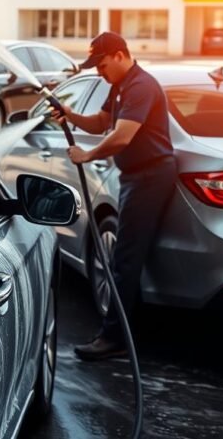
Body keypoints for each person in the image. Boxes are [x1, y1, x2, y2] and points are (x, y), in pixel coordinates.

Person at [50, 31, 177, 361]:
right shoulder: (120, 86)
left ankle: (114, 338)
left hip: (150, 177)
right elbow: (101, 123)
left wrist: (87, 156)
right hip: (136, 177)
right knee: (129, 256)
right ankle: (122, 332)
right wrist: (69, 113)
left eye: (102, 64)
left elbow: (122, 137)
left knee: (125, 258)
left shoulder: (141, 86)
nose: (99, 72)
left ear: (120, 55)